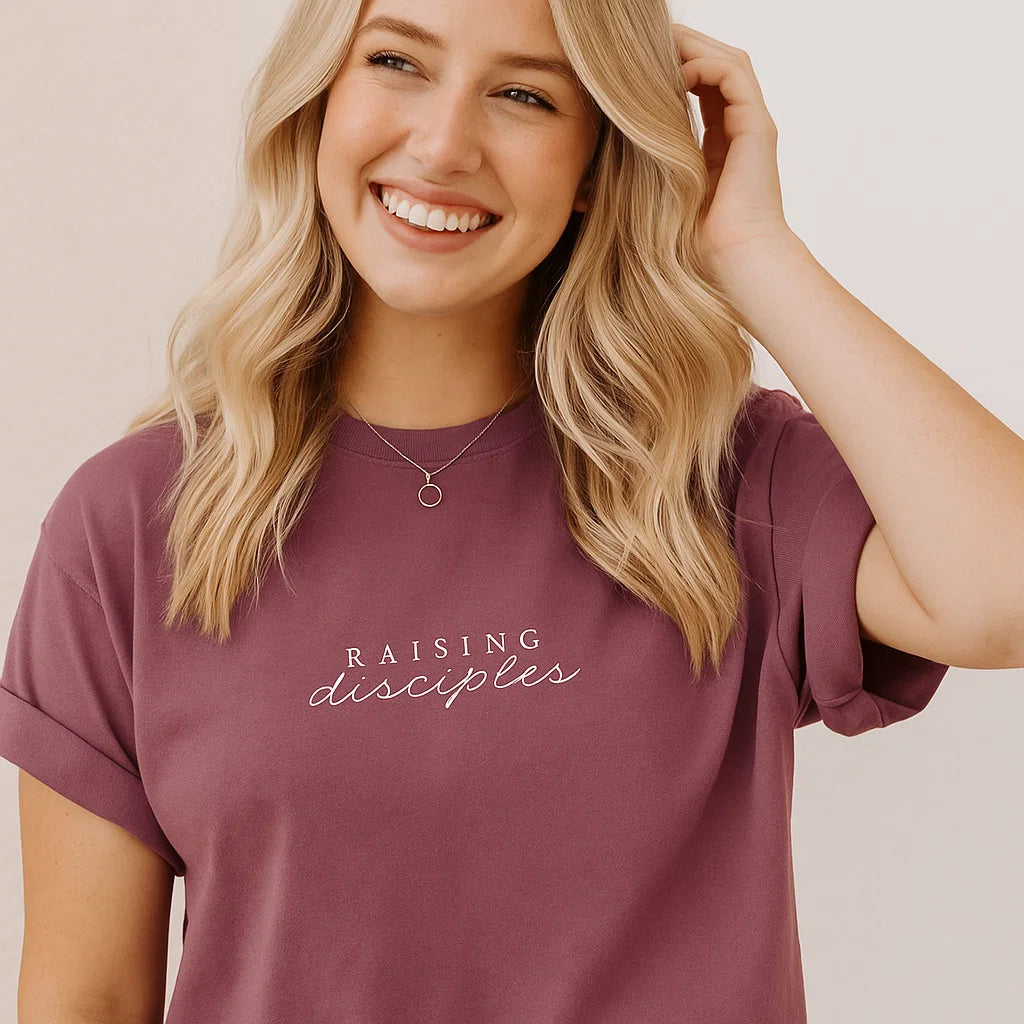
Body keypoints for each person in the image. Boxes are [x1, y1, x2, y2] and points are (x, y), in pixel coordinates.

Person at [2, 0, 1022, 1021]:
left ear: (593, 166)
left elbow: (1002, 593)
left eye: (524, 95)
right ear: (320, 96)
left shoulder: (726, 480)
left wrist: (751, 247)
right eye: (397, 61)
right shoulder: (132, 522)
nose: (444, 144)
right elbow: (83, 997)